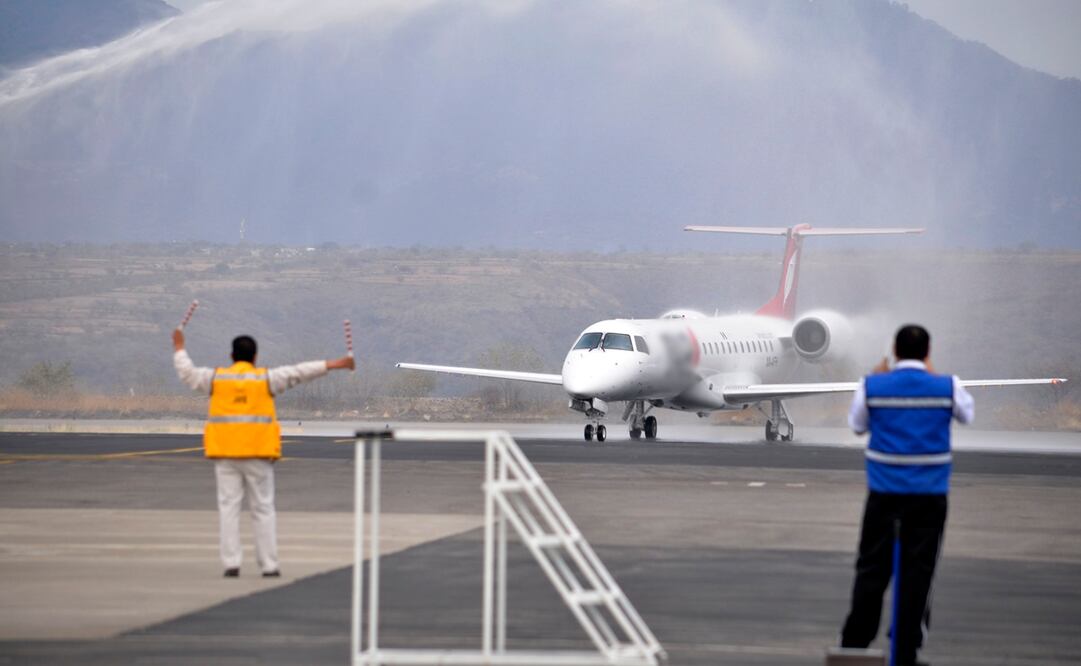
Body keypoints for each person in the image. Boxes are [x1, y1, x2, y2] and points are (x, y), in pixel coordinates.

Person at [839, 324, 974, 666]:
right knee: (919, 573)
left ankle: (854, 646)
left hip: (883, 496)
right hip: (929, 498)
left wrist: (876, 377)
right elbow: (967, 415)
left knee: (871, 569)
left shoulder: (872, 386)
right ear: (928, 353)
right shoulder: (948, 386)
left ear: (895, 352)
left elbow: (857, 426)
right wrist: (934, 376)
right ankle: (906, 649)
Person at [172, 328, 355, 578]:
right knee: (263, 509)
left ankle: (231, 564)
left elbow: (187, 373)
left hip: (225, 455)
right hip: (258, 454)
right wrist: (335, 364)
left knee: (228, 509)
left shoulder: (216, 379)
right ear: (255, 357)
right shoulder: (266, 379)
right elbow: (298, 372)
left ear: (231, 355)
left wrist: (179, 347)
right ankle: (269, 565)